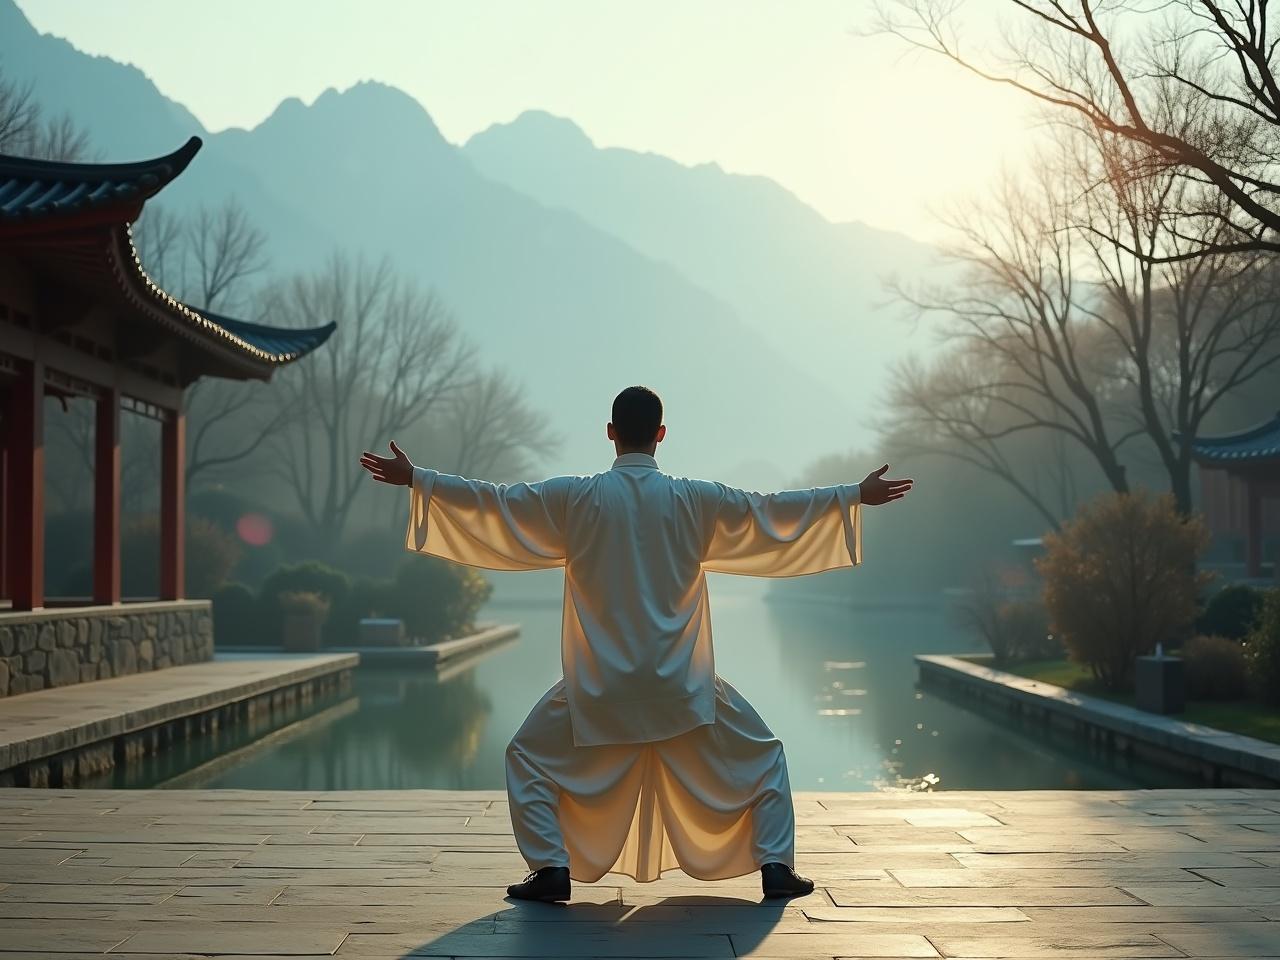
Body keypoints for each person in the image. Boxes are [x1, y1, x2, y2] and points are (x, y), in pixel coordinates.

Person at [359, 385, 912, 902]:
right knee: (765, 757)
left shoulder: (576, 499)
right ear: (662, 434)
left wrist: (420, 481)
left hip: (598, 688)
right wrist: (852, 495)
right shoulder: (696, 499)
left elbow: (498, 502)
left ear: (610, 432)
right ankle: (775, 867)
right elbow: (770, 510)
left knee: (526, 756)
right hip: (683, 687)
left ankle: (551, 866)